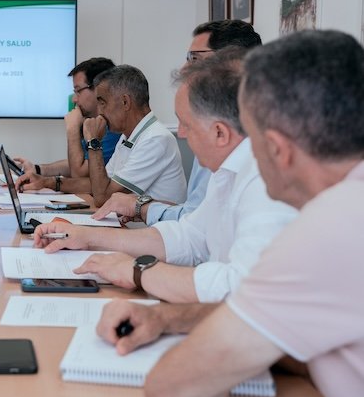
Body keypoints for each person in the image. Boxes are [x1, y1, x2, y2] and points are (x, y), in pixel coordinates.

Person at [131, 30, 364, 397]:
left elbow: (172, 385)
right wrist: (168, 318)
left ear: (276, 149)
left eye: (250, 140)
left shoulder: (333, 225)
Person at [33, 48, 296, 303]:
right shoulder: (225, 173)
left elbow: (240, 291)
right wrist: (86, 236)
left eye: (186, 123)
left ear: (220, 133)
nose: (180, 133)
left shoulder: (265, 184)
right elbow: (189, 236)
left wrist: (138, 272)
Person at [92, 19, 262, 227]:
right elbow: (195, 218)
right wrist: (142, 207)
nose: (184, 69)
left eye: (194, 58)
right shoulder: (210, 136)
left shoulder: (260, 155)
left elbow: (197, 231)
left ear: (232, 63)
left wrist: (142, 208)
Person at [16, 65, 187, 207]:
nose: (100, 111)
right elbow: (99, 184)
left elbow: (102, 197)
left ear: (125, 102)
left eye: (102, 102)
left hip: (152, 238)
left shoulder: (155, 139)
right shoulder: (129, 136)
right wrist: (47, 182)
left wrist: (94, 141)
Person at [15, 57, 120, 177]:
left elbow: (79, 175)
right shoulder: (96, 122)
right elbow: (80, 164)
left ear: (98, 89)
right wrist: (37, 169)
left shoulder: (113, 128)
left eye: (78, 90)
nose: (74, 99)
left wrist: (72, 129)